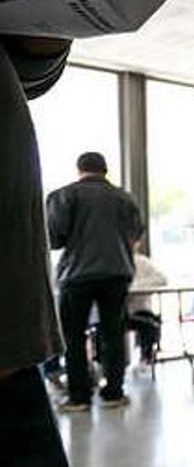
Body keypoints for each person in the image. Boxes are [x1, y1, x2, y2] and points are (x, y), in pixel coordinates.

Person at [0, 0, 129, 467]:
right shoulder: (116, 199)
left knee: (87, 334)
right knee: (108, 333)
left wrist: (32, 30)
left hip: (11, 352)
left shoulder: (72, 200)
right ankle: (111, 384)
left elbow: (16, 80)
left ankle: (88, 390)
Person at [46, 151, 144, 412]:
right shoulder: (125, 198)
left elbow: (55, 238)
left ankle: (79, 397)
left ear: (80, 169)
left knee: (74, 336)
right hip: (117, 274)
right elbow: (136, 234)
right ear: (105, 170)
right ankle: (114, 392)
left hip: (77, 275)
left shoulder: (64, 196)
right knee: (113, 333)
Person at [127, 239, 168, 369]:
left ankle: (146, 358)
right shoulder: (113, 263)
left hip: (140, 309)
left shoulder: (142, 262)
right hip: (116, 311)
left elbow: (162, 279)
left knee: (151, 324)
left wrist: (137, 287)